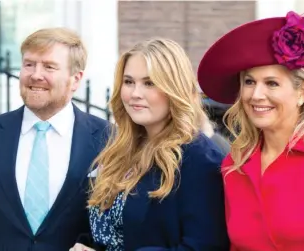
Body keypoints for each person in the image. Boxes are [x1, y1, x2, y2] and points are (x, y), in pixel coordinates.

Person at [0, 27, 109, 250]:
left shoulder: (107, 139)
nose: (35, 74)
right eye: (29, 64)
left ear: (75, 80)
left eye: (49, 66)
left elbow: (118, 227)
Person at [197, 10, 304, 251]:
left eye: (272, 83)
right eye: (249, 82)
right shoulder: (234, 165)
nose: (256, 95)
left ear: (302, 92)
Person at [70, 38, 230, 251]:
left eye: (149, 83)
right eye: (128, 82)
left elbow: (204, 247)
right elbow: (113, 231)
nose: (135, 93)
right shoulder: (118, 149)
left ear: (175, 89)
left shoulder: (200, 160)